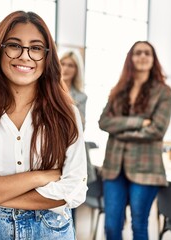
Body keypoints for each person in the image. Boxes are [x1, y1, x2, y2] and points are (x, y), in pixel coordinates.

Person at [0, 11, 87, 240]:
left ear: (47, 56)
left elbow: (74, 190)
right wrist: (39, 177)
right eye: (14, 45)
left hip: (51, 231)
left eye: (36, 47)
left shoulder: (66, 115)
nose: (25, 56)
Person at [98, 41, 171, 240]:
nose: (142, 56)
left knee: (139, 225)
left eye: (147, 53)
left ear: (153, 59)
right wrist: (138, 122)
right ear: (130, 58)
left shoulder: (164, 92)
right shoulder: (119, 90)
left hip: (146, 169)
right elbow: (104, 122)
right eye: (137, 52)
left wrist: (119, 130)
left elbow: (156, 130)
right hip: (114, 167)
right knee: (111, 226)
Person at [59, 50, 97, 224]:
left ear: (76, 70)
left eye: (71, 65)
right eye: (63, 63)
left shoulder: (81, 96)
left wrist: (67, 99)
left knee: (69, 204)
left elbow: (80, 128)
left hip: (71, 155)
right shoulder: (45, 90)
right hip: (51, 153)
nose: (66, 68)